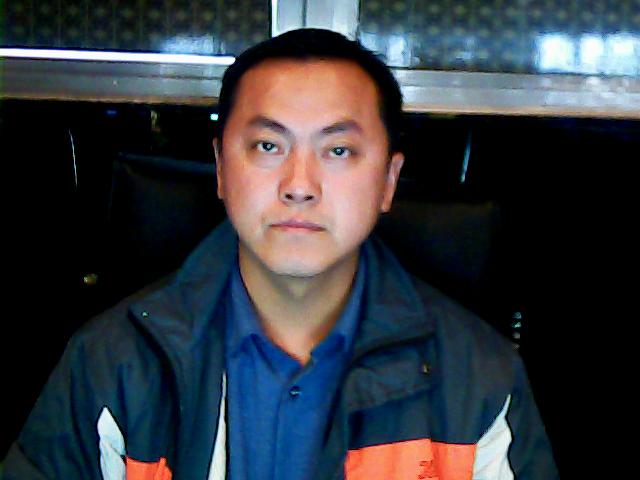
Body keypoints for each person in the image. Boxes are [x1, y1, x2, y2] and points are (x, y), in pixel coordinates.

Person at [4, 29, 558, 479]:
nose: (299, 185)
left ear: (389, 181)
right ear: (221, 168)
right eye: (268, 146)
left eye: (338, 150)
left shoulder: (479, 378)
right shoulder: (114, 362)